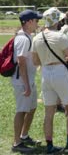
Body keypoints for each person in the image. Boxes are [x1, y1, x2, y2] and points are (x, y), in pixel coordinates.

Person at [32, 7, 68, 153]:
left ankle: (49, 145)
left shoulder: (37, 37)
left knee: (49, 112)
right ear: (57, 20)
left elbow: (35, 61)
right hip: (60, 72)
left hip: (45, 74)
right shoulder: (60, 37)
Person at [11, 10, 42, 153]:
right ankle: (17, 143)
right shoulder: (23, 38)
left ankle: (24, 136)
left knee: (31, 108)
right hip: (23, 82)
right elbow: (21, 62)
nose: (37, 23)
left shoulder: (27, 36)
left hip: (28, 80)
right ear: (29, 22)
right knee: (21, 110)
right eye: (36, 21)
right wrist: (27, 85)